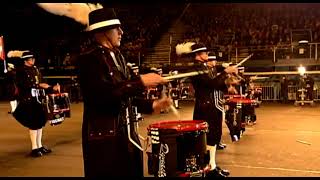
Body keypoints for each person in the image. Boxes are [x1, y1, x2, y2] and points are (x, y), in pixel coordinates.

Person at [76, 8, 172, 177]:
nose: (121, 32)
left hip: (127, 135)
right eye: (116, 28)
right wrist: (141, 81)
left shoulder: (118, 56)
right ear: (104, 31)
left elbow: (126, 95)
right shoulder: (88, 59)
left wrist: (152, 104)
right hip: (104, 138)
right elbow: (103, 95)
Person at [176, 42, 238, 177]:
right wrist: (225, 72)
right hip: (205, 108)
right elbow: (211, 84)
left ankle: (212, 165)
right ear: (198, 55)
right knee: (209, 138)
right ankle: (209, 168)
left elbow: (216, 84)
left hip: (212, 106)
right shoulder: (197, 68)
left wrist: (228, 84)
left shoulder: (203, 67)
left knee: (214, 137)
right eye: (204, 53)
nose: (207, 55)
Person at [12, 51, 60, 157]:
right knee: (33, 124)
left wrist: (51, 88)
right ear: (25, 61)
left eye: (33, 59)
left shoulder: (35, 69)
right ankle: (34, 148)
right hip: (29, 100)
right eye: (30, 59)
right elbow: (23, 85)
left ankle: (40, 146)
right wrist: (38, 85)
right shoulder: (21, 71)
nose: (33, 60)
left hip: (39, 100)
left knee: (40, 123)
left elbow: (42, 82)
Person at [206, 54, 227, 150]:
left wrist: (224, 66)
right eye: (212, 60)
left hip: (218, 100)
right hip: (211, 102)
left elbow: (219, 68)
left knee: (218, 124)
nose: (214, 62)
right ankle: (213, 143)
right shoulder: (207, 72)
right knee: (214, 125)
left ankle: (217, 142)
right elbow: (214, 84)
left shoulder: (213, 70)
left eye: (215, 61)